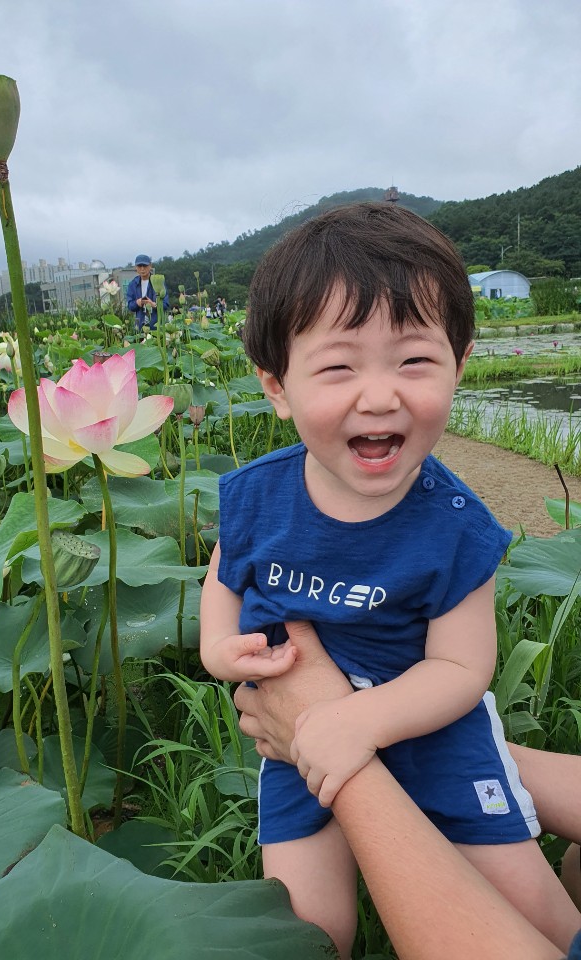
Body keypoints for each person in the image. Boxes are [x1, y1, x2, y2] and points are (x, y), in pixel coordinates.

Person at [199, 202, 581, 956]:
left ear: (459, 363)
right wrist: (219, 647)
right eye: (339, 367)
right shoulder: (255, 495)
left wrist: (355, 725)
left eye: (413, 361)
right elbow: (224, 575)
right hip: (296, 739)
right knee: (309, 930)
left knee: (529, 912)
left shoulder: (459, 526)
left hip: (436, 737)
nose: (380, 395)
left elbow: (462, 669)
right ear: (276, 387)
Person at [234, 621, 581, 960]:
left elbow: (464, 664)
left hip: (370, 721)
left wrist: (335, 746)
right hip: (417, 720)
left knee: (538, 915)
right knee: (304, 929)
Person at [125, 254, 169, 330]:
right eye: (139, 266)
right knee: (136, 338)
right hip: (138, 322)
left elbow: (166, 304)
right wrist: (137, 303)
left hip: (156, 324)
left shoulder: (158, 281)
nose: (142, 269)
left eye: (145, 266)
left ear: (150, 266)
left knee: (155, 339)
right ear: (136, 267)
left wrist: (154, 305)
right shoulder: (132, 284)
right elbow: (129, 306)